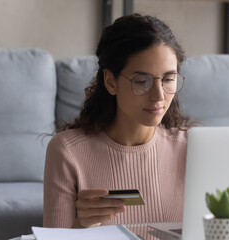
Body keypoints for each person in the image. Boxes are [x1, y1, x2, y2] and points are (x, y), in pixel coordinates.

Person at [43, 14, 192, 228]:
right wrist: (80, 227)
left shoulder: (192, 147)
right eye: (142, 81)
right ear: (111, 82)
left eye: (168, 79)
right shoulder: (67, 151)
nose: (159, 96)